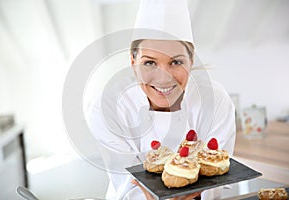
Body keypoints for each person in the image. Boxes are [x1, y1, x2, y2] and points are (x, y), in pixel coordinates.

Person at [87, 0, 236, 199]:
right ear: (133, 63)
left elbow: (218, 177)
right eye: (149, 62)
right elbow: (128, 185)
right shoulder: (107, 108)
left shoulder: (216, 100)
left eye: (176, 62)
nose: (164, 77)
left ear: (191, 61)